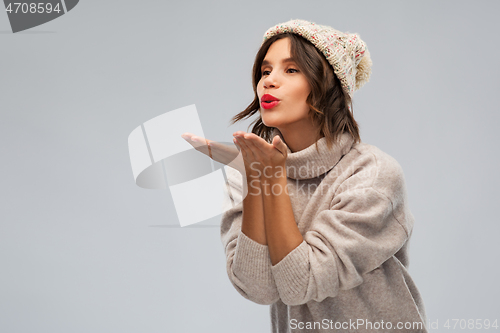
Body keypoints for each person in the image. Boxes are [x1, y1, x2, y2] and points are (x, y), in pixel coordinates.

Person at [182, 18, 428, 333]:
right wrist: (257, 181)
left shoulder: (372, 176)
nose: (268, 82)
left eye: (291, 70)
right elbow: (258, 288)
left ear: (327, 86)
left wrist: (269, 180)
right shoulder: (249, 173)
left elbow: (302, 282)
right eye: (265, 71)